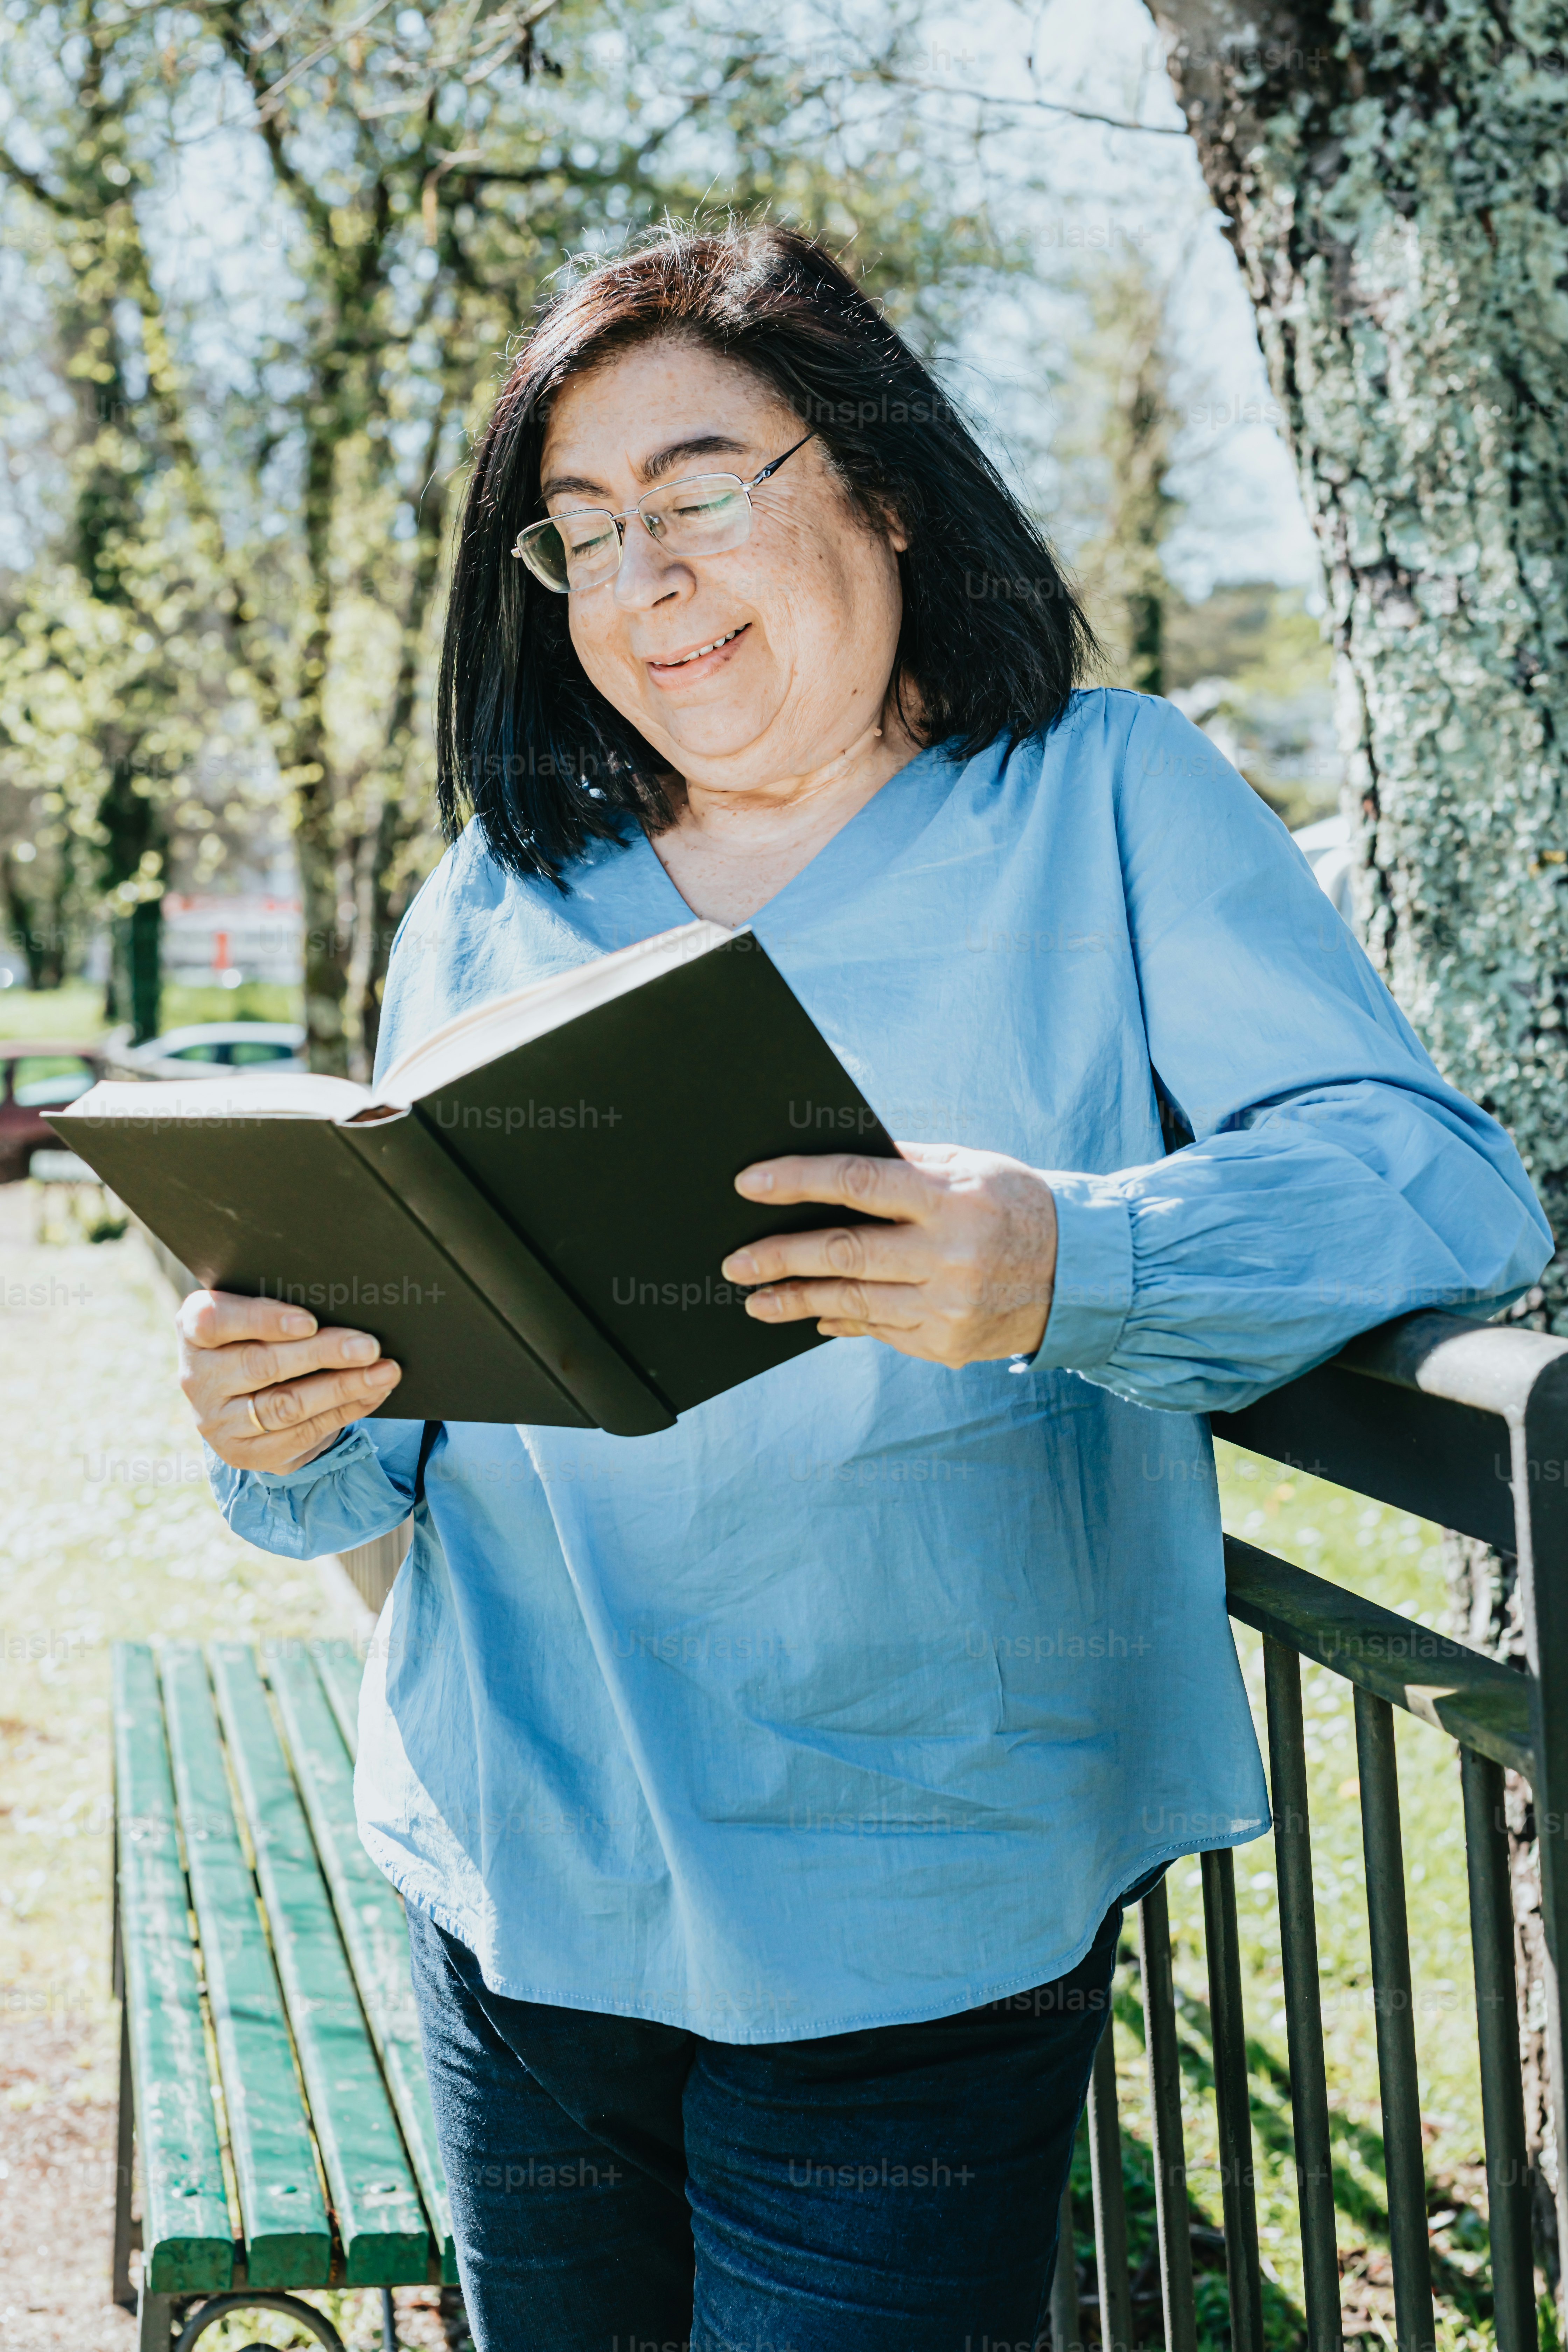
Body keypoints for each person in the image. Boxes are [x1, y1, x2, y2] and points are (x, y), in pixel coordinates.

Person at [176, 225, 1550, 2352]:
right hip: (509, 1870)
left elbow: (1437, 1189)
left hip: (915, 1893)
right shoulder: (492, 890)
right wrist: (292, 1414)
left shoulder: (1110, 796)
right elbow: (395, 1439)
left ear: (886, 489)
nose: (641, 578)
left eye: (701, 487)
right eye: (580, 535)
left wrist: (1073, 1259)